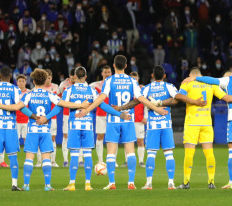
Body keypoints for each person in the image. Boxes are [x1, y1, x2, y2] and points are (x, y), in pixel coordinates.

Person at [78, 54, 164, 190]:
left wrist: (86, 110)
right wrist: (157, 109)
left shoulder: (109, 80)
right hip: (128, 119)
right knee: (130, 151)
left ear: (113, 66)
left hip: (113, 119)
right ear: (125, 66)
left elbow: (100, 99)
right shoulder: (132, 81)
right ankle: (131, 182)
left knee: (111, 152)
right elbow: (141, 99)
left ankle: (112, 183)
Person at [2, 68, 89, 191]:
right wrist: (80, 105)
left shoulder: (29, 94)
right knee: (46, 158)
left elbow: (18, 107)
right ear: (44, 81)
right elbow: (63, 104)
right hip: (45, 130)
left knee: (29, 158)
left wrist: (1, 106)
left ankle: (26, 185)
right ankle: (47, 185)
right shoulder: (50, 94)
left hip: (32, 129)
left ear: (33, 81)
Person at [123, 65, 203, 189]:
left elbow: (136, 101)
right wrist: (195, 101)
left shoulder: (146, 88)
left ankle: (149, 183)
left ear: (152, 75)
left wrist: (122, 108)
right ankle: (171, 182)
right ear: (165, 76)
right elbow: (178, 98)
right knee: (169, 154)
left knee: (151, 154)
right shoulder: (169, 86)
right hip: (166, 125)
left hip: (152, 126)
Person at [174, 66, 232, 189]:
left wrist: (194, 102)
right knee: (209, 153)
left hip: (192, 123)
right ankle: (211, 182)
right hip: (207, 123)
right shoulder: (210, 84)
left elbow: (178, 96)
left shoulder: (187, 82)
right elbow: (227, 98)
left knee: (189, 153)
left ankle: (186, 182)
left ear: (190, 75)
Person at [60, 66, 123, 190]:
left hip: (74, 126)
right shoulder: (92, 91)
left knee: (74, 154)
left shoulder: (69, 90)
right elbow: (103, 106)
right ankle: (88, 184)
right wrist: (119, 113)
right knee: (87, 154)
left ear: (74, 77)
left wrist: (46, 117)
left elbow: (60, 105)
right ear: (86, 77)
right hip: (88, 125)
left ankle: (72, 184)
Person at [0, 66, 33, 191]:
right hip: (11, 128)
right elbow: (20, 107)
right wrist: (33, 116)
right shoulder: (15, 89)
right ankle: (14, 184)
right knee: (12, 156)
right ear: (11, 77)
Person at [90, 64, 112, 164]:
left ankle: (112, 159)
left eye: (108, 72)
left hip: (112, 115)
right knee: (100, 137)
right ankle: (100, 160)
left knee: (112, 138)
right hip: (100, 114)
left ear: (111, 73)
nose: (107, 74)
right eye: (105, 72)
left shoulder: (114, 84)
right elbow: (85, 88)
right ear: (102, 73)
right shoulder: (95, 85)